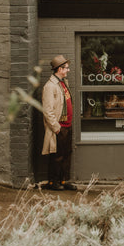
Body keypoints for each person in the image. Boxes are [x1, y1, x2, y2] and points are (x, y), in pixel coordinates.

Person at [42, 55, 76, 190]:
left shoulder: (63, 83)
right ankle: (53, 182)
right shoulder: (50, 86)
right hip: (59, 127)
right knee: (57, 156)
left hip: (67, 125)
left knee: (66, 154)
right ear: (59, 69)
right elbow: (47, 111)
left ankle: (63, 181)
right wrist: (56, 128)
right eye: (66, 68)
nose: (68, 70)